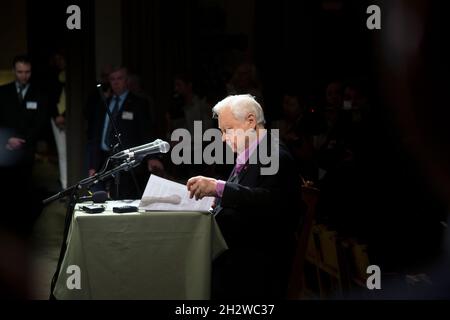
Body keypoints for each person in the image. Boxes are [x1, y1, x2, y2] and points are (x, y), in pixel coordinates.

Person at [186, 94, 303, 299]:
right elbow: (245, 196)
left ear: (250, 122)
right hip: (241, 251)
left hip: (257, 261)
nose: (223, 138)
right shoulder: (253, 152)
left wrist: (219, 188)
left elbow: (270, 202)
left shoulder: (275, 153)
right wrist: (218, 198)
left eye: (227, 130)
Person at [86, 66, 163, 199]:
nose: (116, 82)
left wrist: (152, 157)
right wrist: (93, 164)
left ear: (127, 80)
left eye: (119, 78)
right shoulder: (103, 103)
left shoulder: (138, 103)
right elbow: (96, 135)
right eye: (112, 79)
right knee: (99, 199)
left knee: (123, 200)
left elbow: (146, 131)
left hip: (127, 162)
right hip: (104, 159)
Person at [0, 55, 47, 234]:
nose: (23, 76)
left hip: (27, 148)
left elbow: (40, 123)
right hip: (4, 149)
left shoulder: (39, 93)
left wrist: (23, 141)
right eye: (20, 72)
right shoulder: (2, 93)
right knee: (5, 189)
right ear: (14, 71)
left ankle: (23, 228)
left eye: (27, 72)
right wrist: (7, 140)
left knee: (25, 188)